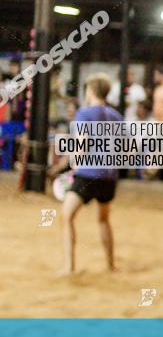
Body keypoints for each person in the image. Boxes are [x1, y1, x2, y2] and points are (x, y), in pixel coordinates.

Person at [48, 73, 123, 274]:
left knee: (66, 216)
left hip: (89, 173)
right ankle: (111, 265)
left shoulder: (85, 113)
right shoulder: (116, 116)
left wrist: (73, 166)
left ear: (90, 91)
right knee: (103, 219)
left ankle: (68, 267)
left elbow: (80, 145)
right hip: (109, 176)